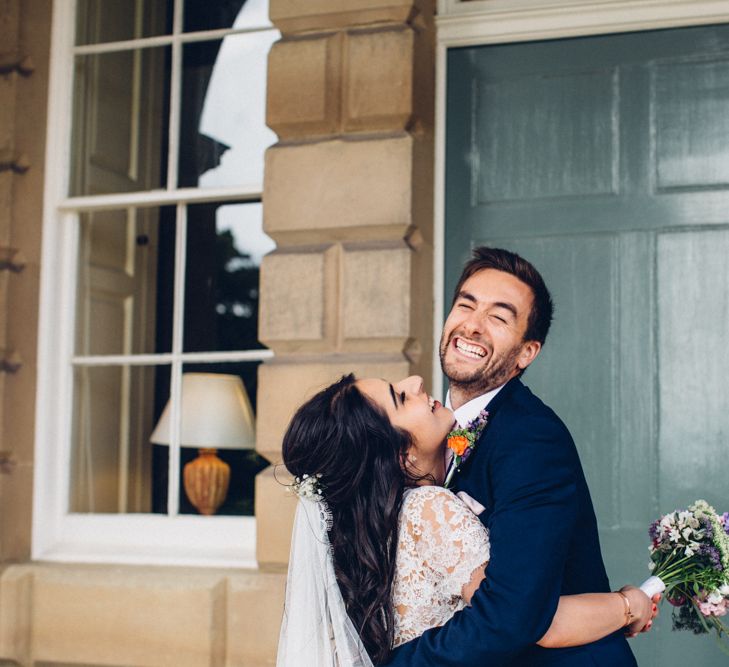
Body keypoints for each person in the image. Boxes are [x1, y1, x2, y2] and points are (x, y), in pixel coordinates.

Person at [277, 371, 657, 666]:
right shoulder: (428, 509)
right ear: (401, 456)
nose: (416, 382)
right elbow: (533, 621)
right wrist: (628, 605)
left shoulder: (372, 532)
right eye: (401, 397)